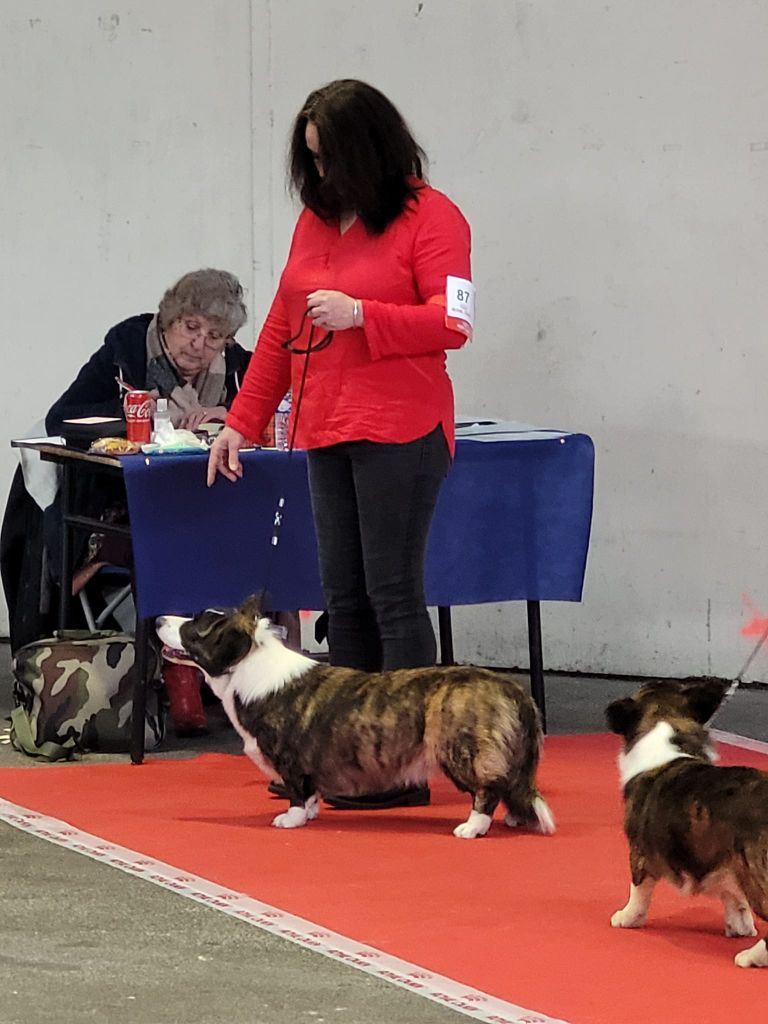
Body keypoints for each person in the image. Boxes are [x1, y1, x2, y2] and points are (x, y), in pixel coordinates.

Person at [206, 80, 474, 808]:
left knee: (392, 597)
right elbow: (280, 330)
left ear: (371, 151)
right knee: (344, 600)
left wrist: (364, 314)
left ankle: (406, 765)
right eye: (313, 160)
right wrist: (241, 422)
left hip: (402, 428)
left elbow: (453, 323)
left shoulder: (433, 217)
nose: (322, 174)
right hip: (327, 426)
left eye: (331, 158)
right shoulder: (315, 222)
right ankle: (350, 764)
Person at [1, 269, 252, 737]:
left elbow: (279, 409)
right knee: (170, 540)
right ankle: (177, 669)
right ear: (170, 319)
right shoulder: (127, 348)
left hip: (208, 499)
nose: (200, 344)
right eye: (191, 328)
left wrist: (234, 415)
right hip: (122, 500)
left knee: (255, 535)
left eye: (215, 336)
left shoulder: (238, 368)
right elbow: (64, 417)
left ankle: (244, 671)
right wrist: (136, 416)